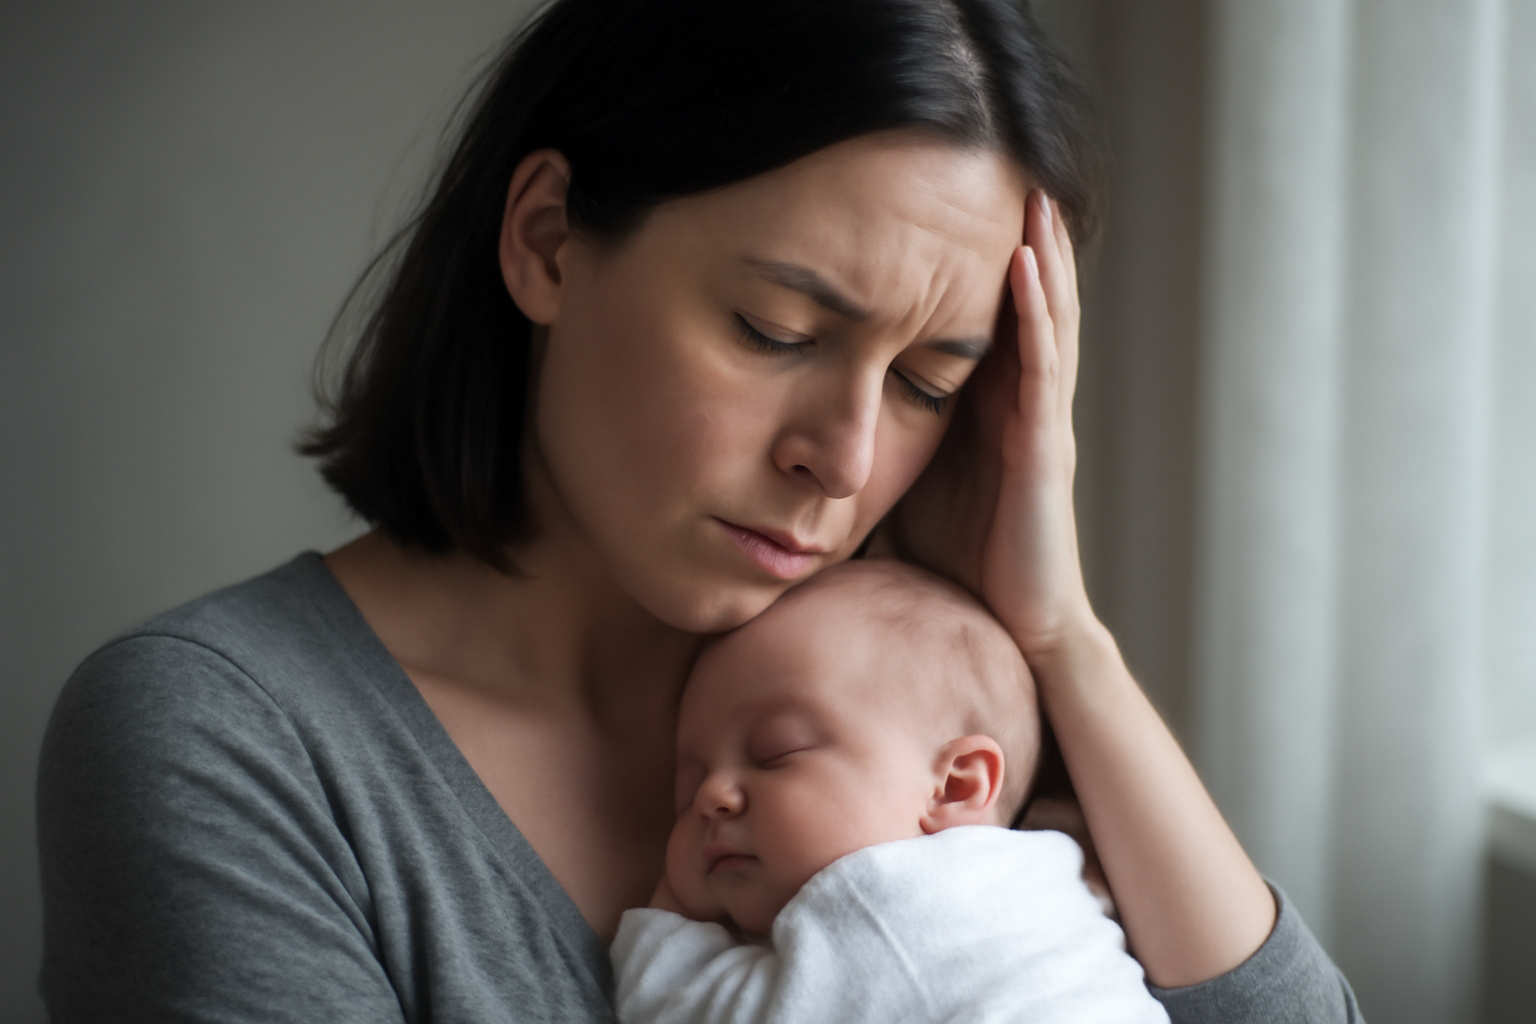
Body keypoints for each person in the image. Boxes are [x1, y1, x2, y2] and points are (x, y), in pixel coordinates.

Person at [36, 1, 1360, 1022]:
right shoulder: (227, 743)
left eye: (924, 383)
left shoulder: (928, 712)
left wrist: (1063, 640)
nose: (842, 459)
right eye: (775, 329)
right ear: (548, 239)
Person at [612, 559, 1170, 1024]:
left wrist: (668, 922)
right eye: (688, 789)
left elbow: (694, 1010)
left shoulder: (889, 904)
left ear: (952, 787)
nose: (713, 795)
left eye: (775, 753)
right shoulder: (1039, 873)